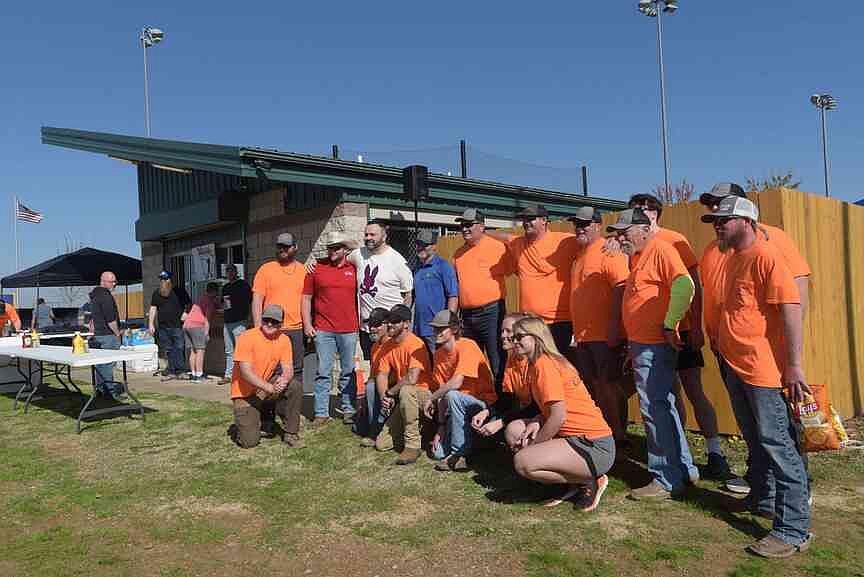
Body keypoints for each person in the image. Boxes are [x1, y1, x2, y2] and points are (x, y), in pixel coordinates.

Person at [702, 196, 812, 558]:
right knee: (757, 442)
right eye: (714, 221)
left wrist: (793, 366)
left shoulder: (766, 255)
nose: (717, 226)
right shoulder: (734, 258)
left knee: (778, 446)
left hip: (763, 372)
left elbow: (791, 308)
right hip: (736, 367)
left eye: (723, 220)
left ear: (747, 222)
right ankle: (763, 500)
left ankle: (793, 530)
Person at [627, 193, 732, 479]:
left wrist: (695, 326)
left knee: (693, 389)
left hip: (681, 328)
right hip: (655, 335)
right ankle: (680, 455)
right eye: (634, 209)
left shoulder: (673, 240)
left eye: (644, 209)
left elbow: (691, 284)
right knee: (668, 395)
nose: (639, 213)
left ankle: (715, 453)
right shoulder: (634, 247)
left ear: (655, 214)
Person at [608, 209, 698, 500]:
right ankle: (683, 469)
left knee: (654, 409)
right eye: (618, 232)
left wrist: (671, 325)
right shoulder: (639, 254)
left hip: (654, 345)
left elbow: (685, 285)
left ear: (645, 229)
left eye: (625, 231)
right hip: (644, 344)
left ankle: (666, 478)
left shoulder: (660, 249)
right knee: (664, 406)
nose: (620, 237)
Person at [505, 317, 615, 512]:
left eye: (519, 336)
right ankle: (572, 483)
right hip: (572, 438)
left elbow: (558, 417)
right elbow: (554, 408)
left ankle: (591, 480)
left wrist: (535, 445)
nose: (514, 341)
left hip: (593, 445)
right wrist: (538, 420)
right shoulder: (537, 363)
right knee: (515, 430)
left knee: (523, 462)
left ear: (537, 337)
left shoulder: (545, 365)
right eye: (513, 337)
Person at [567, 206, 631, 448]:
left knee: (609, 385)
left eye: (584, 224)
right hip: (584, 336)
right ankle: (607, 432)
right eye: (577, 224)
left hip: (605, 334)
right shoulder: (580, 255)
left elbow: (621, 287)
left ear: (597, 225)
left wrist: (615, 326)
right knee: (596, 385)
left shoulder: (608, 252)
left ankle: (620, 436)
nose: (580, 228)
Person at [488, 205, 581, 355]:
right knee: (533, 365)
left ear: (544, 220)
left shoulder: (565, 241)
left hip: (558, 322)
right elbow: (505, 237)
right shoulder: (519, 243)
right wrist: (483, 232)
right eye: (524, 219)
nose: (526, 222)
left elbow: (593, 242)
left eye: (531, 219)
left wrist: (612, 241)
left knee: (557, 366)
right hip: (529, 322)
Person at [423, 310, 497, 471]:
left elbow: (456, 383)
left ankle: (459, 454)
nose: (436, 332)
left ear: (454, 329)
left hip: (482, 406)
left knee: (453, 394)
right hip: (456, 408)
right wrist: (441, 427)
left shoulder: (468, 345)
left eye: (441, 329)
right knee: (437, 453)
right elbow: (442, 396)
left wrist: (430, 398)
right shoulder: (438, 355)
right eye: (435, 329)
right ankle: (470, 444)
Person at [302, 232, 360, 426]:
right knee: (323, 371)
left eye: (336, 248)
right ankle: (321, 412)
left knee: (347, 371)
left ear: (345, 250)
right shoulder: (316, 267)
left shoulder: (355, 268)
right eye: (330, 248)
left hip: (349, 328)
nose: (332, 251)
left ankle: (349, 409)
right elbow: (306, 298)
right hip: (323, 329)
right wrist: (308, 324)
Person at [452, 208, 512, 389]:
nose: (464, 229)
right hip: (468, 316)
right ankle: (481, 402)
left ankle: (505, 405)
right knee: (472, 361)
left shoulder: (498, 247)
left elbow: (513, 269)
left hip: (492, 313)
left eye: (469, 225)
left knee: (497, 359)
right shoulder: (458, 254)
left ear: (482, 226)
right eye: (462, 225)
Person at [229, 304, 304, 449]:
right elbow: (246, 373)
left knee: (294, 386)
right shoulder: (246, 337)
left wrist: (284, 379)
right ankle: (249, 423)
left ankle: (291, 433)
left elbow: (288, 368)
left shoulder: (284, 340)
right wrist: (269, 387)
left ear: (281, 324)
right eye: (266, 320)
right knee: (249, 442)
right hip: (244, 394)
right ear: (261, 319)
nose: (269, 324)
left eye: (274, 321)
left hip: (264, 388)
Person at [373, 304, 433, 465]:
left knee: (406, 390)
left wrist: (391, 393)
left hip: (424, 396)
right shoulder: (387, 346)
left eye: (395, 321)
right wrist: (384, 397)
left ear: (406, 323)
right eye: (388, 321)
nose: (390, 324)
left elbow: (412, 378)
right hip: (404, 398)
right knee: (382, 444)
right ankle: (422, 429)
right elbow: (382, 374)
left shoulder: (416, 344)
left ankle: (412, 446)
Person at [252, 232, 307, 399]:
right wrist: (257, 328)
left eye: (286, 246)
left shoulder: (303, 270)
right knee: (272, 370)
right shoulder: (266, 269)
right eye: (279, 246)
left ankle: (291, 410)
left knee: (295, 371)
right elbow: (256, 301)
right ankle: (270, 411)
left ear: (295, 247)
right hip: (272, 329)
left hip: (296, 329)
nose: (282, 249)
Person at [348, 221, 413, 360]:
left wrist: (400, 324)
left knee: (391, 369)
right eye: (366, 234)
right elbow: (340, 253)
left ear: (384, 237)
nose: (368, 238)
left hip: (389, 329)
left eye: (373, 234)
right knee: (373, 368)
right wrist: (316, 264)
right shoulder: (359, 254)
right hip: (367, 328)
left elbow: (408, 296)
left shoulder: (397, 261)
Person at [472, 312, 539, 440]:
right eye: (502, 331)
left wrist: (501, 422)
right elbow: (506, 399)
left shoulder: (535, 361)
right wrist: (487, 412)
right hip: (526, 411)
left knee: (511, 429)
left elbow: (537, 407)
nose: (502, 335)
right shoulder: (512, 359)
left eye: (508, 331)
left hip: (540, 415)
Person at [413, 230, 458, 355]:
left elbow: (453, 296)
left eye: (425, 245)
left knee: (440, 367)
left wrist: (448, 324)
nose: (420, 248)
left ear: (434, 246)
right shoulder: (416, 269)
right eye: (418, 244)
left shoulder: (443, 266)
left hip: (436, 330)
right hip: (418, 329)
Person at [356, 307, 391, 443]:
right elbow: (372, 374)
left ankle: (376, 429)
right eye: (370, 325)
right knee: (358, 426)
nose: (372, 328)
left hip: (392, 388)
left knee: (371, 386)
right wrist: (363, 398)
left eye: (377, 325)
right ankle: (373, 425)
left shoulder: (393, 345)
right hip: (378, 387)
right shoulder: (374, 347)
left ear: (388, 324)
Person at [149, 271, 191, 381]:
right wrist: (151, 324)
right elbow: (153, 308)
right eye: (162, 279)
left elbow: (188, 304)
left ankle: (181, 371)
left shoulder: (179, 291)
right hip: (163, 326)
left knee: (179, 348)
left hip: (177, 326)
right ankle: (172, 371)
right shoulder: (157, 293)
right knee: (169, 349)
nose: (164, 281)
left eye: (166, 279)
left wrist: (186, 314)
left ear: (171, 280)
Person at [89, 271, 123, 399]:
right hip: (108, 335)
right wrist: (117, 333)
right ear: (103, 281)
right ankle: (110, 392)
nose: (114, 284)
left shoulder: (95, 296)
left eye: (115, 281)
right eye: (112, 281)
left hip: (99, 334)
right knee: (108, 364)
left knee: (100, 364)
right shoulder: (105, 296)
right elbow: (111, 320)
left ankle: (100, 389)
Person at [220, 264, 252, 385]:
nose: (229, 274)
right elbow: (224, 304)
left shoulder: (243, 285)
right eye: (227, 272)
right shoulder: (226, 287)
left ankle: (244, 375)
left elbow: (251, 301)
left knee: (241, 349)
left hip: (240, 320)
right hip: (228, 321)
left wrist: (249, 317)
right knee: (229, 350)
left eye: (231, 271)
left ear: (235, 272)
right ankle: (229, 375)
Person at [183, 282, 219, 382]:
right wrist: (206, 333)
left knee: (193, 351)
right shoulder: (209, 302)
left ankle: (194, 375)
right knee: (200, 350)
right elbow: (207, 319)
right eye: (216, 292)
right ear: (214, 292)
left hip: (187, 325)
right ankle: (199, 376)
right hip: (197, 326)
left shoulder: (202, 298)